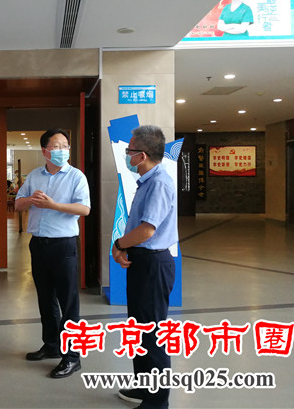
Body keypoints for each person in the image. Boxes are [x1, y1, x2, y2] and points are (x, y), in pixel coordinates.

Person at [15, 128, 90, 379]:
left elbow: (84, 209)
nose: (62, 150)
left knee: (69, 303)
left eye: (65, 145)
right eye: (56, 146)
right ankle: (51, 345)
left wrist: (52, 205)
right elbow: (18, 202)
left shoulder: (76, 176)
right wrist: (30, 200)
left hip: (63, 245)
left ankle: (72, 357)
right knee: (45, 299)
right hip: (38, 244)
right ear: (44, 151)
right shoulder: (35, 175)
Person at [112, 125, 177, 409]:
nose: (127, 154)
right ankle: (144, 386)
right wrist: (125, 247)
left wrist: (119, 244)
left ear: (142, 155)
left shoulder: (159, 182)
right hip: (142, 260)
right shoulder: (147, 181)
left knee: (152, 334)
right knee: (139, 330)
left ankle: (157, 401)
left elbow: (147, 230)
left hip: (153, 263)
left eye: (130, 150)